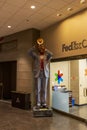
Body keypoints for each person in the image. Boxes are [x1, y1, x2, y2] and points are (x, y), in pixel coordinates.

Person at [28, 38, 53, 108]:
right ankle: (38, 103)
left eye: (42, 47)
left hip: (45, 73)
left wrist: (46, 50)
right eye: (40, 47)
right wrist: (34, 47)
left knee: (44, 89)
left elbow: (51, 54)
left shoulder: (46, 56)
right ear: (38, 49)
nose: (41, 48)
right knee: (38, 89)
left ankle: (44, 103)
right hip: (38, 73)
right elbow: (29, 52)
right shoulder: (36, 55)